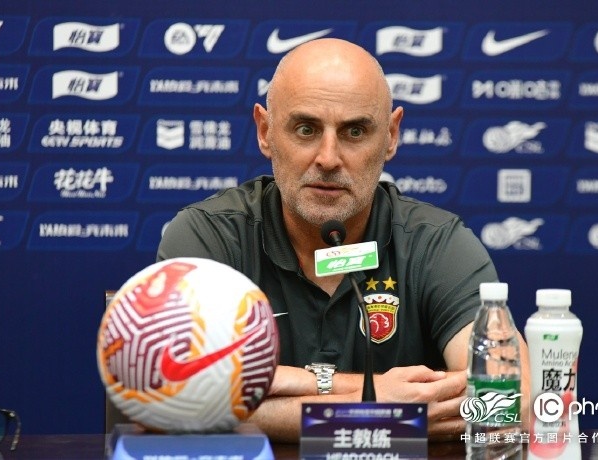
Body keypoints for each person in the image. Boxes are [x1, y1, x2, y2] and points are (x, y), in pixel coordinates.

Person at [157, 38, 530, 442]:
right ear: (265, 132)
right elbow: (172, 395)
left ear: (390, 136)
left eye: (354, 131)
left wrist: (270, 394)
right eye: (306, 129)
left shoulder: (436, 244)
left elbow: (513, 401)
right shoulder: (210, 237)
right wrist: (375, 406)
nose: (328, 158)